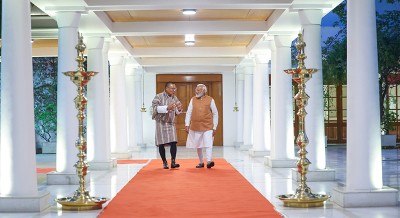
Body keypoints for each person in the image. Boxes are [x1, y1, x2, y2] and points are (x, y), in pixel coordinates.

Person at [185, 84, 218, 168]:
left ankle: (209, 161)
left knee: (208, 143)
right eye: (196, 89)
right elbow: (189, 112)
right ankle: (201, 162)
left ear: (204, 91)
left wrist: (214, 126)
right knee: (198, 144)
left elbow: (215, 113)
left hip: (207, 125)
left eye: (199, 90)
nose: (196, 91)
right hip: (195, 126)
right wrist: (187, 124)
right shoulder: (192, 100)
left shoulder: (210, 99)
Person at [152, 82, 183, 169]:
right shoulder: (158, 96)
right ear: (166, 88)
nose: (174, 90)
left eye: (175, 89)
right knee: (161, 143)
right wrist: (166, 108)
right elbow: (154, 108)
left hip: (171, 123)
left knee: (173, 142)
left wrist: (179, 109)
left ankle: (173, 162)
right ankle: (164, 162)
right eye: (172, 89)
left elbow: (177, 110)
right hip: (161, 123)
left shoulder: (174, 98)